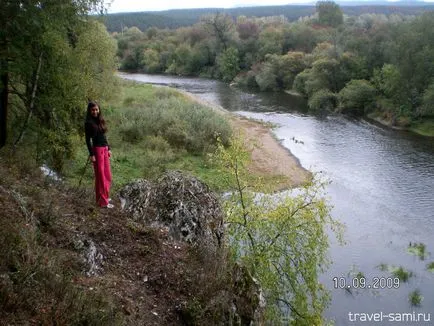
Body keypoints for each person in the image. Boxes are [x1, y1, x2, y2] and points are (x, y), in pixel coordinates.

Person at [85, 101, 113, 208]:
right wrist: (92, 154)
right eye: (93, 110)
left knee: (107, 176)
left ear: (99, 109)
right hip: (97, 151)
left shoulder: (100, 120)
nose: (95, 111)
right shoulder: (88, 123)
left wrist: (108, 148)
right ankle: (102, 202)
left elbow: (103, 136)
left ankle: (104, 196)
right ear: (89, 111)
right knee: (101, 177)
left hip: (105, 150)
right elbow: (88, 140)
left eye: (96, 109)